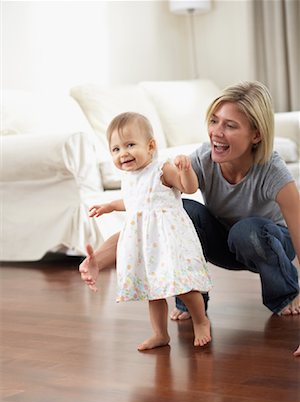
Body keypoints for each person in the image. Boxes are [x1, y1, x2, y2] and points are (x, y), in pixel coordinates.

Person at [80, 81, 300, 320]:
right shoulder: (204, 158)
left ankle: (286, 294)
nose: (216, 131)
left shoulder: (272, 171)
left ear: (256, 134)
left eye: (230, 125)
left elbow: (298, 228)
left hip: (270, 243)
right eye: (214, 120)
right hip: (226, 243)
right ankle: (189, 299)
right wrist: (98, 260)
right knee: (183, 210)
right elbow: (148, 217)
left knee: (247, 231)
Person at [83, 112, 212, 351]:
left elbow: (189, 187)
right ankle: (160, 334)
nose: (123, 154)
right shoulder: (130, 177)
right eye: (116, 149)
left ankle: (201, 320)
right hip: (145, 243)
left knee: (182, 285)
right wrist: (110, 206)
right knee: (154, 291)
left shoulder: (162, 170)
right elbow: (133, 201)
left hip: (168, 239)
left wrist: (185, 170)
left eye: (130, 145)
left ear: (150, 146)